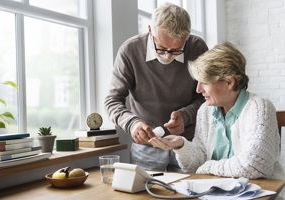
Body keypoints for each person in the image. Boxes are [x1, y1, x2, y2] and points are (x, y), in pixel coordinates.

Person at [149, 42, 284, 180]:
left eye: (205, 82)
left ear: (229, 82)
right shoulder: (205, 111)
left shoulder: (259, 107)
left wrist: (208, 167)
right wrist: (181, 145)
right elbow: (196, 165)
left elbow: (255, 166)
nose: (198, 89)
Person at [104, 3, 208, 172]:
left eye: (176, 50)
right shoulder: (130, 50)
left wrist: (185, 116)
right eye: (161, 48)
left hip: (189, 145)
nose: (168, 56)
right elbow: (112, 101)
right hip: (146, 149)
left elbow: (206, 97)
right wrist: (132, 124)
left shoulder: (197, 48)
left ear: (187, 37)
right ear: (150, 30)